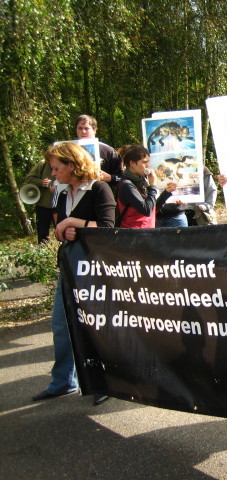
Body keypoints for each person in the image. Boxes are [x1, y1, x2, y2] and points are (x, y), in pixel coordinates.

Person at [32, 142, 115, 405]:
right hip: (69, 264)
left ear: (72, 164)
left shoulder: (100, 188)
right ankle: (64, 382)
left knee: (97, 326)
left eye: (57, 168)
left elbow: (107, 227)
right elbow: (61, 232)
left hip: (95, 268)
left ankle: (106, 381)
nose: (54, 173)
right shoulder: (64, 193)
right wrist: (64, 229)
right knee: (61, 325)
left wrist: (72, 223)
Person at [116, 145, 176, 228]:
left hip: (147, 233)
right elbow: (146, 210)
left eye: (148, 162)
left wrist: (166, 193)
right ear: (132, 163)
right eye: (144, 162)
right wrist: (153, 186)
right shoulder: (127, 184)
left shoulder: (142, 181)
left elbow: (152, 208)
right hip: (132, 235)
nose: (148, 166)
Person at [75, 114, 124, 189]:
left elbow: (122, 177)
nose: (83, 131)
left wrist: (110, 178)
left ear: (94, 130)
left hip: (101, 195)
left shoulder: (108, 151)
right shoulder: (69, 151)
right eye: (80, 128)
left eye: (86, 128)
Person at [24, 159, 56, 243]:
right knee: (42, 233)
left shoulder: (67, 162)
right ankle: (43, 250)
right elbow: (29, 179)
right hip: (43, 204)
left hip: (61, 204)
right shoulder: (43, 163)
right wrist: (41, 182)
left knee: (63, 231)